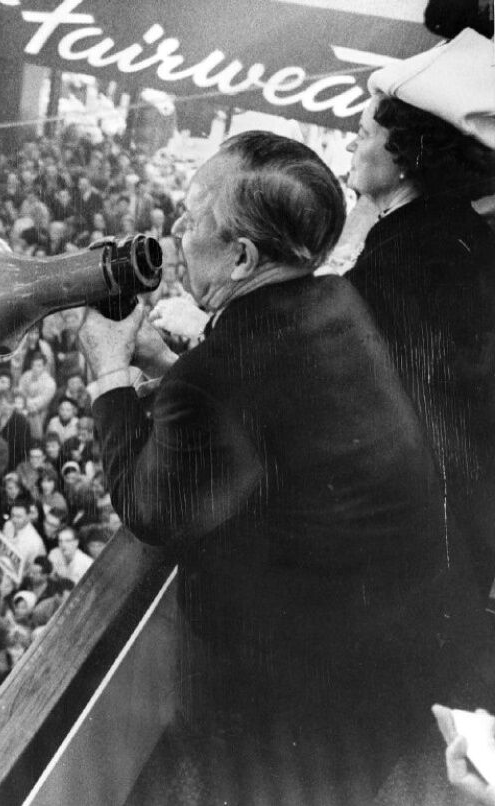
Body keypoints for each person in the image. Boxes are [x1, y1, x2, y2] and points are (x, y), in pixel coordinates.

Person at [81, 131, 474, 803]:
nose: (176, 226)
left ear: (240, 255)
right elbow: (277, 412)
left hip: (290, 714)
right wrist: (170, 369)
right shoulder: (337, 304)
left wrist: (109, 369)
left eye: (194, 213)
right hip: (387, 674)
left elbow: (152, 508)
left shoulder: (215, 376)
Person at [344, 65, 495, 595]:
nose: (350, 147)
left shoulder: (399, 257)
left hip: (411, 547)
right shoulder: (457, 231)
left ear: (406, 156)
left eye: (362, 135)